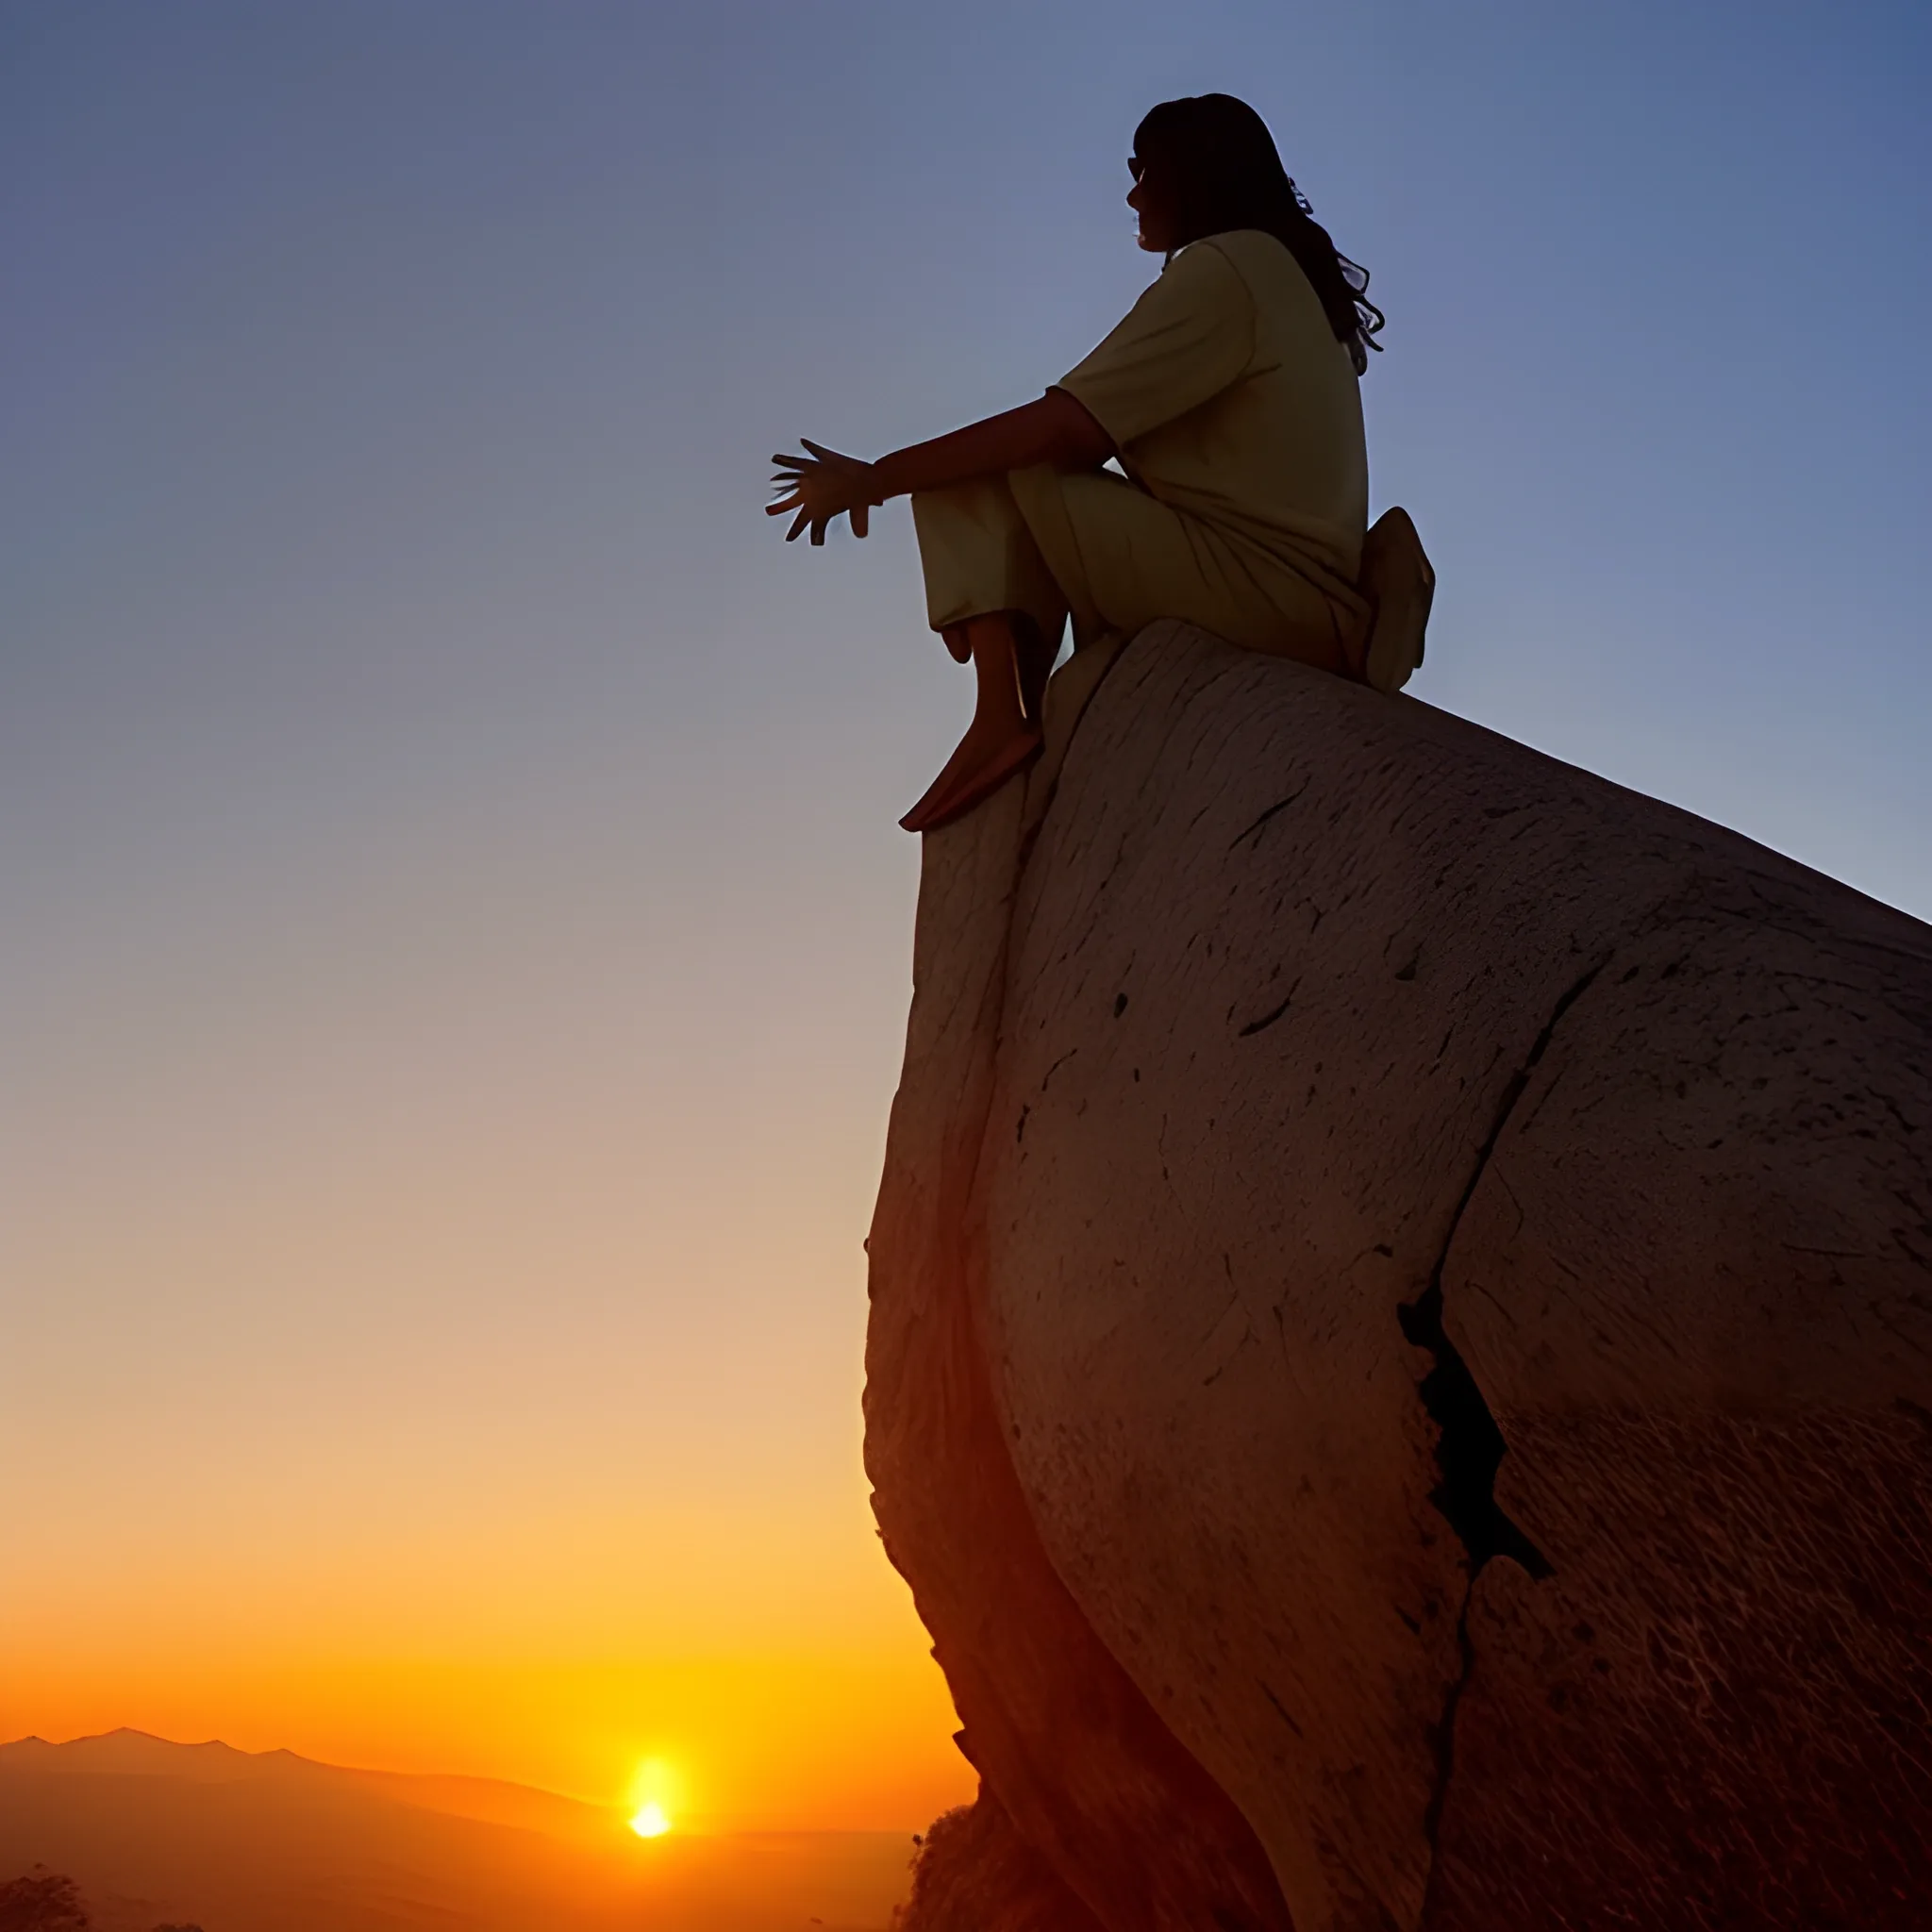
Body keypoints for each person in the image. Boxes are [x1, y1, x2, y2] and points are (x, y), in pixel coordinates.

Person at [769, 92, 1424, 834]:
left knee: (991, 463)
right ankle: (1019, 705)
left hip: (1269, 596)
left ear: (1192, 174)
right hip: (1281, 590)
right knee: (998, 460)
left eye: (1146, 172)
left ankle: (999, 720)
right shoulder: (1271, 272)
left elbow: (1063, 431)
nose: (1133, 193)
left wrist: (874, 478)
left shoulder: (1229, 268)